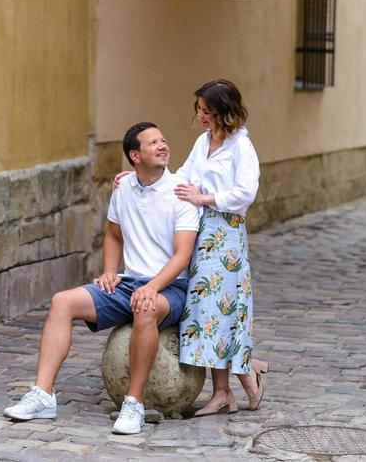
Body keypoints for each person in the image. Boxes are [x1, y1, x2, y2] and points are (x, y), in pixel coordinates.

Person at [3, 122, 200, 435]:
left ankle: (133, 404)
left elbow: (182, 256)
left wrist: (152, 286)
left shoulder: (180, 193)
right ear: (135, 156)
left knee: (145, 308)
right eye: (153, 143)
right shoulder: (123, 190)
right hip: (128, 283)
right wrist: (110, 270)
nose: (163, 146)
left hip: (170, 288)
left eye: (163, 140)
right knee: (62, 302)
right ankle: (42, 395)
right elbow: (112, 235)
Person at [113, 79, 266, 416]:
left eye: (206, 111)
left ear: (224, 112)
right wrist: (135, 175)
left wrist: (205, 198)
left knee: (222, 309)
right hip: (199, 234)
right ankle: (226, 388)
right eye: (198, 109)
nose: (199, 116)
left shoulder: (241, 146)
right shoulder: (204, 141)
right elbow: (182, 176)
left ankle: (238, 377)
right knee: (205, 312)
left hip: (225, 235)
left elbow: (245, 192)